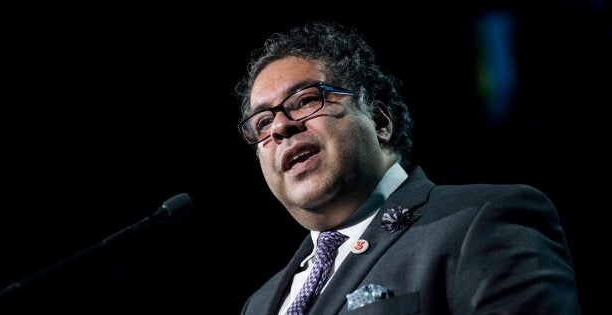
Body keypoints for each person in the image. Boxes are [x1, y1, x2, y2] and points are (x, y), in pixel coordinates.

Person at [234, 21, 580, 315]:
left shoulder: (481, 221)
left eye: (307, 100)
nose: (280, 127)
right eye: (262, 122)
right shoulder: (259, 303)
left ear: (381, 122)